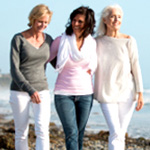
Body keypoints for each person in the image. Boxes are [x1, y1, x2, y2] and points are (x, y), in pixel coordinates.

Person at [94, 4, 144, 150]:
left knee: (120, 133)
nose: (116, 19)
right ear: (105, 19)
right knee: (115, 131)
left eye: (119, 17)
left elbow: (136, 66)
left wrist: (140, 93)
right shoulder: (97, 42)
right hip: (106, 92)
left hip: (127, 93)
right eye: (113, 16)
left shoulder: (129, 40)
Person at [49, 6, 97, 150]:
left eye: (80, 21)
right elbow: (47, 59)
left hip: (85, 94)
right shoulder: (60, 41)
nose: (75, 24)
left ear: (88, 23)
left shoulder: (91, 43)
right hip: (64, 94)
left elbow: (93, 65)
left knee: (80, 134)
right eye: (73, 20)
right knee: (71, 133)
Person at [9, 4, 53, 150]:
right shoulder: (18, 39)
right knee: (22, 132)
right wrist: (29, 90)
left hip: (42, 90)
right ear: (33, 19)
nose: (43, 25)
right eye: (40, 21)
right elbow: (14, 70)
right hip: (20, 91)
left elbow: (58, 63)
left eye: (46, 22)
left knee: (42, 130)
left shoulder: (49, 40)